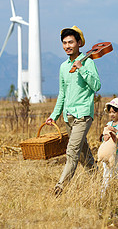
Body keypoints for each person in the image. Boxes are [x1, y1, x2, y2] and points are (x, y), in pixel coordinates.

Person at [46, 25, 101, 197]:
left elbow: (97, 86)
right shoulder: (63, 67)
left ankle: (59, 188)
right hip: (68, 116)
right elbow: (62, 93)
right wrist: (54, 115)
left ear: (79, 43)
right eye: (64, 43)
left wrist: (82, 68)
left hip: (83, 114)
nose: (67, 45)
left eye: (71, 42)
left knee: (72, 152)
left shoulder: (88, 62)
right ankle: (100, 182)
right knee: (84, 155)